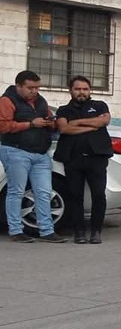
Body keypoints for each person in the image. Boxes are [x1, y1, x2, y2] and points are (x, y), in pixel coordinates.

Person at [0, 70, 66, 243]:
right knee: (16, 191)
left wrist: (50, 123)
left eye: (37, 87)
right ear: (19, 86)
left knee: (44, 192)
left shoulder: (40, 101)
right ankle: (16, 230)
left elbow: (48, 118)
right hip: (16, 151)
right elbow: (3, 127)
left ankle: (47, 230)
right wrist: (30, 124)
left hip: (40, 153)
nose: (34, 91)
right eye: (30, 88)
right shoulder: (7, 100)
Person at [54, 76, 113, 244]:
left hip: (97, 158)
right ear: (70, 90)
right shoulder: (63, 110)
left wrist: (78, 122)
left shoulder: (100, 105)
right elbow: (64, 128)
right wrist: (92, 126)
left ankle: (96, 232)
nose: (81, 92)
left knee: (98, 195)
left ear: (90, 91)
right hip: (73, 159)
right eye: (78, 89)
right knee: (75, 196)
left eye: (85, 89)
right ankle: (79, 232)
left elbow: (104, 121)